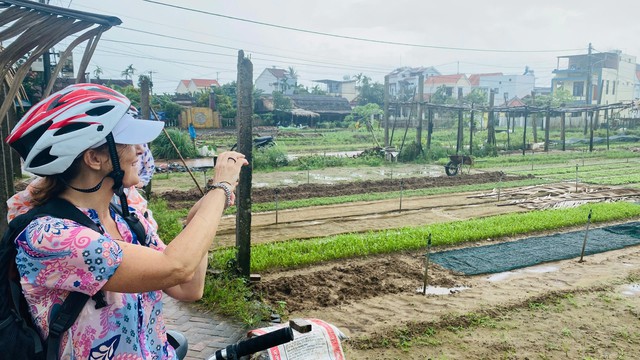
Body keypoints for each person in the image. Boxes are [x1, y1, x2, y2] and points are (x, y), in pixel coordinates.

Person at [4, 83, 247, 359]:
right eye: (129, 142)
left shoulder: (124, 219)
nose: (140, 151)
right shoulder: (50, 236)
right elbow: (176, 267)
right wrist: (221, 188)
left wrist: (197, 219)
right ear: (94, 158)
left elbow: (187, 286)